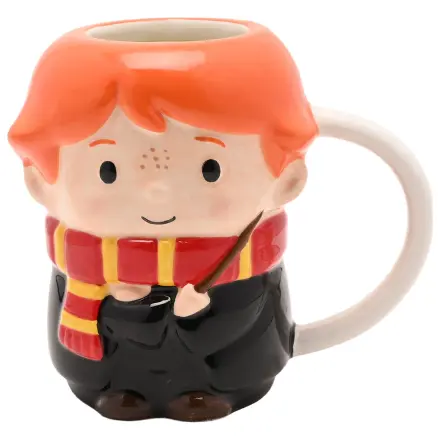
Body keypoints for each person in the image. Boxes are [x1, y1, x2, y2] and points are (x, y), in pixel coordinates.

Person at [8, 18, 317, 421]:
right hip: (109, 361)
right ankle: (122, 389)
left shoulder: (243, 263)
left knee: (235, 354)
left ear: (288, 178)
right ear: (40, 181)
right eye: (108, 170)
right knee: (108, 366)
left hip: (227, 356)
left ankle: (202, 391)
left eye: (210, 168)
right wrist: (129, 307)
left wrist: (198, 312)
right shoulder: (83, 264)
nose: (157, 191)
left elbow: (242, 322)